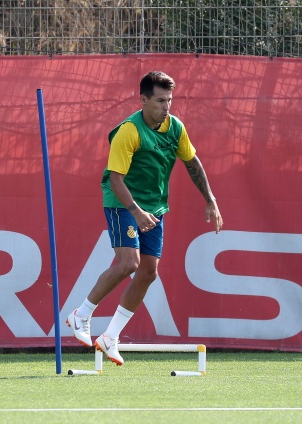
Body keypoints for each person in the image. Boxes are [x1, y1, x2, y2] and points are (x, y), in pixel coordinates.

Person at [66, 71, 223, 366]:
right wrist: (136, 212)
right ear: (143, 100)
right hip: (123, 202)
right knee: (129, 263)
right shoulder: (129, 131)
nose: (167, 107)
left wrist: (210, 199)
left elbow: (192, 162)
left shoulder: (175, 127)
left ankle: (110, 337)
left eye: (170, 100)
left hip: (154, 207)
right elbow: (115, 179)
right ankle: (81, 314)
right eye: (160, 101)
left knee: (149, 272)